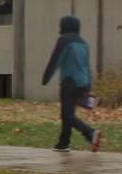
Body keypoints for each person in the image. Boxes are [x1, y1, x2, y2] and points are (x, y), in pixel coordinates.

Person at [42, 15, 101, 153]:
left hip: (69, 82)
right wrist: (89, 87)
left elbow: (55, 60)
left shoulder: (64, 40)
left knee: (67, 115)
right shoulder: (84, 43)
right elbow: (87, 67)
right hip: (83, 83)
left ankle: (90, 133)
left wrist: (45, 78)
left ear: (65, 26)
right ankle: (63, 143)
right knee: (69, 113)